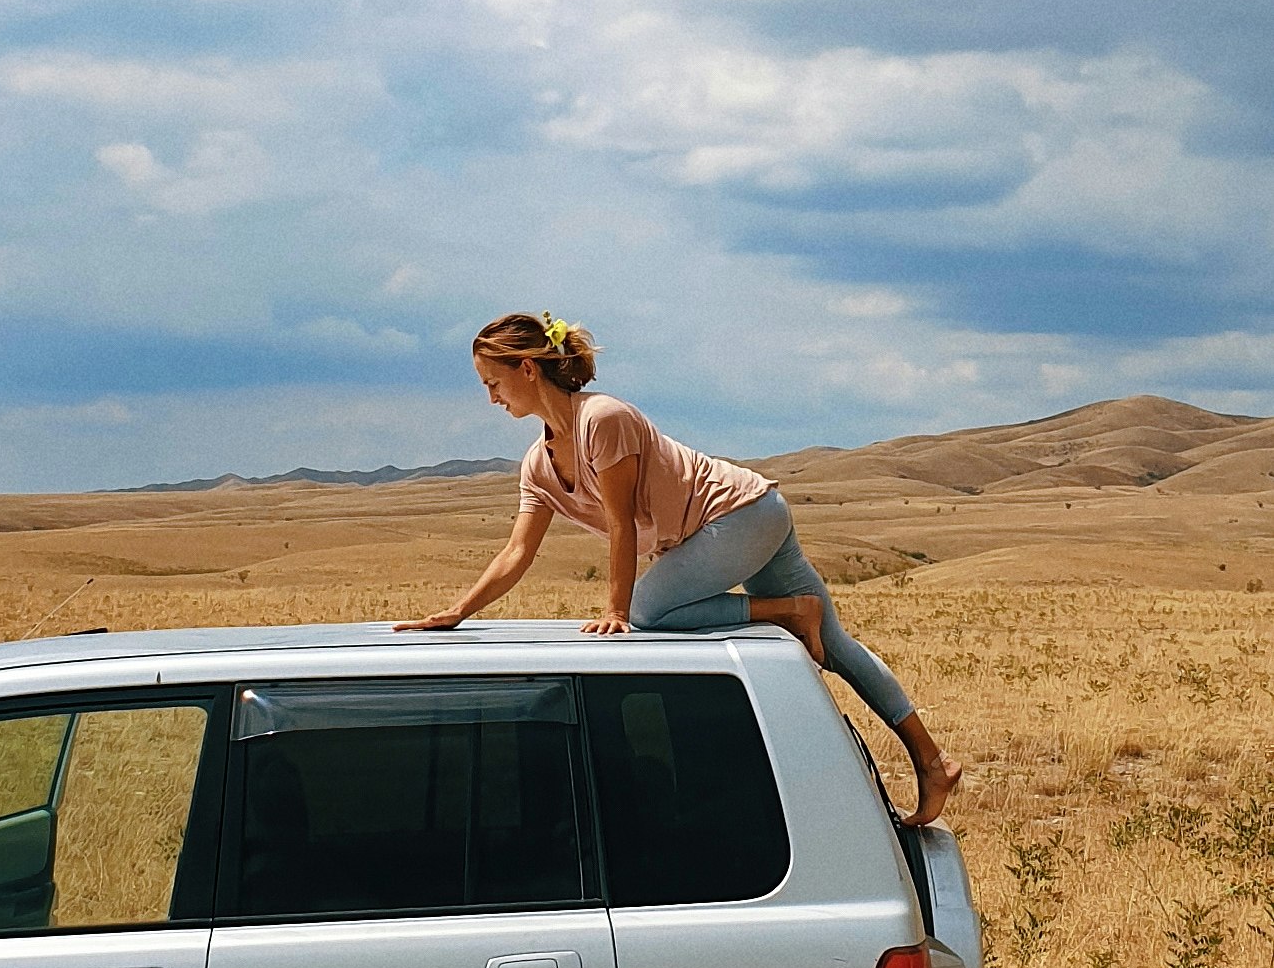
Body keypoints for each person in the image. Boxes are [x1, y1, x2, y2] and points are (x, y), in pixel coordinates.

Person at [401, 310, 961, 825]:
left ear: (526, 367)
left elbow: (621, 523)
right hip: (743, 521)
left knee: (649, 610)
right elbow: (517, 551)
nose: (491, 398)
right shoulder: (538, 463)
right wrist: (458, 611)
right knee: (834, 645)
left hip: (740, 515)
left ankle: (790, 613)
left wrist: (618, 610)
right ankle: (934, 762)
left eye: (492, 383)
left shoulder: (603, 418)